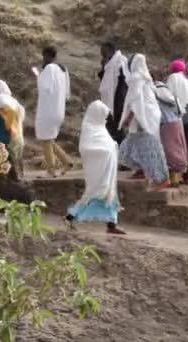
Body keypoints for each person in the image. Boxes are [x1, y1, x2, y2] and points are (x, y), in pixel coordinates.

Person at [66, 101, 125, 235]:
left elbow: (106, 144)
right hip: (98, 170)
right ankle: (69, 217)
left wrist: (111, 147)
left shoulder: (99, 128)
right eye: (103, 116)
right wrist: (106, 150)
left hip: (107, 170)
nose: (104, 119)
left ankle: (112, 224)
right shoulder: (90, 128)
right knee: (93, 194)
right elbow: (86, 148)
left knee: (110, 194)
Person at [119, 54, 170, 191]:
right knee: (135, 145)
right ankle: (141, 171)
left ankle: (161, 179)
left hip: (143, 118)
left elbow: (135, 101)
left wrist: (128, 119)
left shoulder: (137, 78)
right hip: (148, 116)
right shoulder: (144, 77)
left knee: (148, 149)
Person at [35, 46, 73, 178]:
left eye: (44, 56)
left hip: (48, 109)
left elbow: (45, 88)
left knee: (45, 139)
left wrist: (39, 75)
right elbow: (67, 93)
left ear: (47, 56)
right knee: (49, 138)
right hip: (59, 109)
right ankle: (66, 162)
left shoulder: (49, 69)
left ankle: (51, 171)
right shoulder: (63, 69)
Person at [155, 80, 188, 187]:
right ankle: (176, 178)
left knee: (169, 151)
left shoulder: (155, 90)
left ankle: (172, 179)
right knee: (177, 149)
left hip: (166, 123)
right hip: (177, 122)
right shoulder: (167, 90)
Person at [98, 42, 128, 144]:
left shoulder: (121, 62)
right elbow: (104, 80)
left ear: (110, 50)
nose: (102, 55)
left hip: (118, 99)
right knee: (109, 125)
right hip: (108, 100)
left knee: (118, 127)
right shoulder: (108, 62)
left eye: (104, 53)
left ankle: (120, 149)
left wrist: (120, 102)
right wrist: (104, 66)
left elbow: (124, 82)